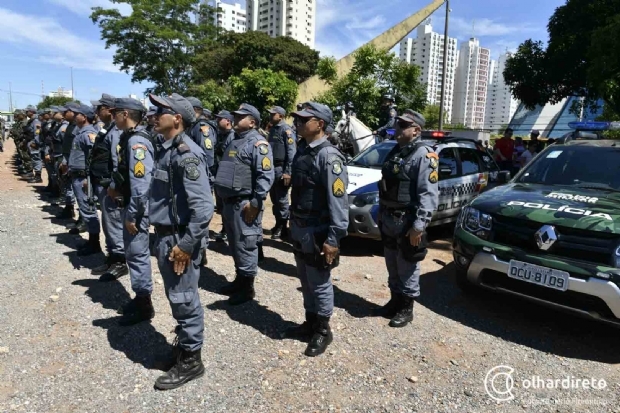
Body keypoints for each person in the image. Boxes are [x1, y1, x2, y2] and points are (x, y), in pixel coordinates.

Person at [148, 93, 214, 390]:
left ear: (177, 118)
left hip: (179, 237)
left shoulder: (187, 154)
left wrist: (187, 245)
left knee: (184, 299)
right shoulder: (167, 149)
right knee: (178, 297)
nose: (153, 113)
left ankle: (191, 360)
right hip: (166, 234)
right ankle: (184, 346)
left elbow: (203, 208)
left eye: (160, 110)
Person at [284, 102, 349, 357]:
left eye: (304, 119)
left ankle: (323, 330)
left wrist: (333, 238)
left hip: (318, 230)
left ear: (319, 124)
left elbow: (339, 202)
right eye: (297, 119)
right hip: (300, 226)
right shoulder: (303, 149)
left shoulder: (329, 156)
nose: (298, 122)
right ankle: (310, 322)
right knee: (305, 278)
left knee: (320, 282)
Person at [374, 110, 439, 328]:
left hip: (407, 221)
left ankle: (406, 308)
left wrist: (419, 225)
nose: (398, 128)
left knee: (408, 265)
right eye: (397, 124)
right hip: (388, 218)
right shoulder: (396, 150)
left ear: (416, 130)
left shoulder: (424, 155)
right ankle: (394, 301)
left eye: (403, 125)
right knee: (392, 262)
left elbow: (428, 194)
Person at [214, 103, 275, 305]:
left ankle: (247, 288)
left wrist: (256, 203)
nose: (235, 118)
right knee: (235, 244)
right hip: (230, 202)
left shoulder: (258, 144)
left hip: (245, 204)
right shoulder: (235, 140)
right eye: (235, 115)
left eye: (241, 116)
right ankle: (239, 280)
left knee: (246, 245)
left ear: (252, 122)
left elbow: (265, 176)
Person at [107, 97, 155, 326]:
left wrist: (132, 214)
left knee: (137, 254)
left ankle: (144, 304)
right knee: (133, 253)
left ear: (125, 114)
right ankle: (140, 298)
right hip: (130, 204)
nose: (112, 116)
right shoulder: (129, 137)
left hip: (136, 209)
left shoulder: (137, 142)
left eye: (116, 112)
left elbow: (141, 185)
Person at [86, 94, 129, 281]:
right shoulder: (107, 130)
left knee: (113, 223)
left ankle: (120, 261)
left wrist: (114, 188)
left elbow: (117, 162)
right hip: (103, 186)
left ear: (109, 110)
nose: (97, 112)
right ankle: (112, 257)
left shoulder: (116, 133)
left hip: (111, 188)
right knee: (108, 223)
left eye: (100, 108)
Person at [67, 104, 102, 255]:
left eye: (78, 114)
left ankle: (94, 243)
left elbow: (95, 155)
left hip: (83, 178)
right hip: (78, 176)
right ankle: (92, 241)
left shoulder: (89, 134)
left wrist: (90, 176)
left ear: (85, 117)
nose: (75, 116)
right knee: (85, 209)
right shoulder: (81, 133)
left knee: (88, 210)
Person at [186, 97, 216, 266]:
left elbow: (208, 157)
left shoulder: (202, 128)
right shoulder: (192, 126)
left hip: (202, 177)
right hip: (195, 176)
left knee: (200, 213)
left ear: (195, 110)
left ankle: (201, 250)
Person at [267, 106, 296, 240]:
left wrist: (288, 172)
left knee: (282, 199)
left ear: (280, 116)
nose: (270, 116)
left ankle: (283, 227)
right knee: (274, 199)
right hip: (272, 168)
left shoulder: (286, 130)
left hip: (281, 168)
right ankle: (278, 223)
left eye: (273, 114)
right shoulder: (272, 129)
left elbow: (291, 152)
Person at [213, 110, 236, 243]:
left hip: (226, 175)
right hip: (218, 174)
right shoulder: (220, 135)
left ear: (228, 121)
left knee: (228, 205)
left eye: (220, 119)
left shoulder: (232, 136)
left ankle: (229, 230)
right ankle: (225, 229)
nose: (217, 121)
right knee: (221, 205)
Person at [57, 103, 80, 220]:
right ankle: (69, 208)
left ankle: (81, 217)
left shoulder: (78, 126)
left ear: (73, 112)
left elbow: (77, 148)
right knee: (68, 185)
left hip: (74, 161)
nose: (63, 114)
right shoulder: (71, 125)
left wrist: (69, 162)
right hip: (67, 157)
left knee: (78, 189)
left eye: (66, 112)